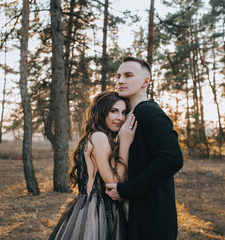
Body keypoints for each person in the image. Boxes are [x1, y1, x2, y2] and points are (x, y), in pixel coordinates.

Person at [105, 57, 184, 240]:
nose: (120, 81)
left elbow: (172, 159)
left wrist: (127, 189)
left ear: (145, 81)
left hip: (153, 217)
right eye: (118, 76)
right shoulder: (131, 115)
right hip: (136, 213)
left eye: (128, 75)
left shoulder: (149, 112)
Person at [49, 91, 138, 240]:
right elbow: (113, 181)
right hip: (97, 213)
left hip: (97, 209)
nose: (120, 118)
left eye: (124, 112)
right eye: (114, 111)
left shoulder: (100, 136)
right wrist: (125, 144)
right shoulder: (99, 137)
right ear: (102, 111)